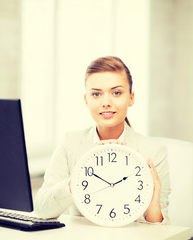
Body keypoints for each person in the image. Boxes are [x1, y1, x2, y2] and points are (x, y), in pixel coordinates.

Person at [34, 56, 170, 224]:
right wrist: (77, 178)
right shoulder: (71, 143)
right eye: (96, 94)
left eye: (116, 93)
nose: (106, 102)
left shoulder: (154, 152)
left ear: (131, 98)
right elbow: (42, 209)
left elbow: (161, 230)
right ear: (86, 100)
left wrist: (153, 201)